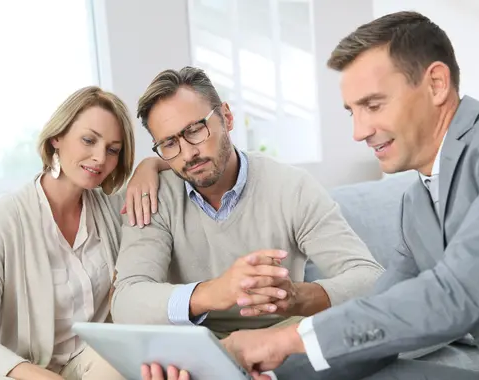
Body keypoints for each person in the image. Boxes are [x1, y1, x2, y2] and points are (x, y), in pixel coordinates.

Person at [194, 10, 479, 380]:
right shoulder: (417, 206)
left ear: (435, 83)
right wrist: (246, 370)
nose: (358, 131)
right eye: (352, 111)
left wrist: (286, 339)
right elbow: (377, 317)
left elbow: (456, 295)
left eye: (373, 105)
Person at [110, 66, 384, 368]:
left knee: (366, 347)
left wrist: (296, 298)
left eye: (194, 130)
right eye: (170, 143)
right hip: (195, 349)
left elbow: (370, 279)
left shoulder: (291, 186)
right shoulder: (153, 198)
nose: (188, 154)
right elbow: (126, 301)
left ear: (226, 117)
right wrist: (215, 292)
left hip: (277, 343)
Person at [0, 86, 167, 380]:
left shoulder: (114, 210)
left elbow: (181, 165)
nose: (100, 158)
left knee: (134, 366)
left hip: (87, 362)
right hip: (16, 372)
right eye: (89, 140)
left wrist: (150, 165)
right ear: (57, 138)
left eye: (113, 149)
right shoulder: (1, 219)